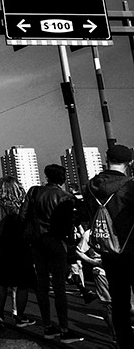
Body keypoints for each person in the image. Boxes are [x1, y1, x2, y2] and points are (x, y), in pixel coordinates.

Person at [20, 164, 82, 342]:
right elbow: (74, 221)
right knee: (59, 287)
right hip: (58, 242)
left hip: (37, 242)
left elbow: (22, 216)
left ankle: (47, 326)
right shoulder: (66, 197)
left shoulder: (34, 192)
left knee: (42, 284)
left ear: (47, 176)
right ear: (63, 179)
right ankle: (64, 328)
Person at [83, 143, 134, 346]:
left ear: (107, 160)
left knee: (119, 302)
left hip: (108, 252)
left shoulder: (90, 187)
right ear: (130, 162)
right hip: (131, 249)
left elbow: (88, 216)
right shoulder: (130, 186)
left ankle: (124, 342)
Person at [0, 176, 36, 327]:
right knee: (21, 284)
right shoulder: (23, 203)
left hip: (1, 247)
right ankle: (19, 316)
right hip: (21, 247)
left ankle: (0, 315)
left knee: (1, 283)